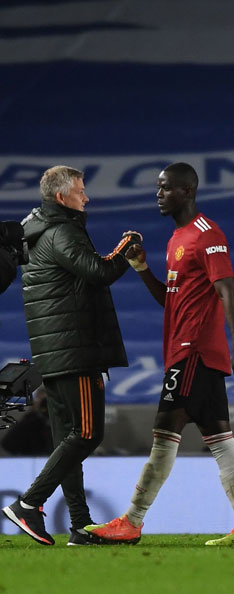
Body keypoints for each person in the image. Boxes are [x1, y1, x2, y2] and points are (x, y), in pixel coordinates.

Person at [86, 162, 234, 546]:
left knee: (164, 433)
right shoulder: (176, 240)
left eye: (166, 188)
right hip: (185, 351)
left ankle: (131, 521)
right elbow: (173, 302)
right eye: (157, 187)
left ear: (186, 191)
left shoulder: (206, 234)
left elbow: (228, 292)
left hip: (194, 352)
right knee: (220, 439)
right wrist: (142, 268)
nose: (158, 194)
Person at [3, 166, 133, 546]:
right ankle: (29, 503)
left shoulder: (38, 232)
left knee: (69, 439)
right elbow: (97, 271)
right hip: (75, 349)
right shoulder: (61, 230)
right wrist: (127, 248)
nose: (86, 197)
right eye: (80, 191)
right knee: (89, 434)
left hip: (53, 350)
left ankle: (79, 524)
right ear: (61, 198)